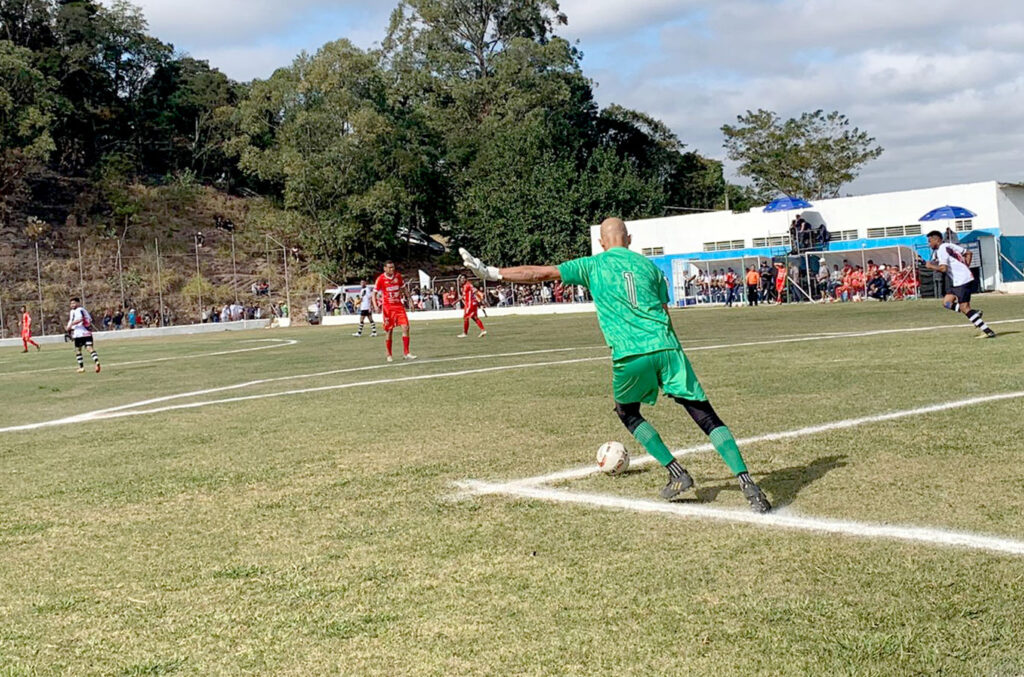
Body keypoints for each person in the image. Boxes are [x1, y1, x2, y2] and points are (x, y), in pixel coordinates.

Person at [459, 218, 771, 512]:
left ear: (601, 242)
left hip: (630, 354)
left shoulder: (592, 264)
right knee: (705, 415)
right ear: (629, 240)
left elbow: (539, 274)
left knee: (628, 412)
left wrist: (493, 273)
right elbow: (665, 310)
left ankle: (677, 473)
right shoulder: (649, 266)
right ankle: (749, 485)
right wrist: (672, 352)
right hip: (668, 347)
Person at [925, 231, 995, 338]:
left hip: (962, 280)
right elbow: (969, 253)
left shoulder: (942, 250)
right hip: (958, 280)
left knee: (965, 307)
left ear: (937, 240)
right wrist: (965, 266)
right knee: (947, 303)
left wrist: (931, 267)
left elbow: (944, 269)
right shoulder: (949, 245)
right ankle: (974, 313)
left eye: (930, 241)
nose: (928, 244)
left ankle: (988, 331)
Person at [374, 261, 417, 362]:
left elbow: (404, 289)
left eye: (393, 267)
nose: (391, 269)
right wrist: (376, 305)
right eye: (389, 268)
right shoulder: (381, 279)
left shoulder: (398, 276)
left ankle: (406, 353)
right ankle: (389, 354)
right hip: (388, 308)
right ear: (385, 268)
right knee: (389, 331)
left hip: (399, 307)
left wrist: (410, 301)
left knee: (406, 327)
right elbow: (374, 293)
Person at [66, 297, 100, 373]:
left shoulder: (79, 310)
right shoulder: (75, 311)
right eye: (71, 303)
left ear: (78, 303)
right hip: (85, 333)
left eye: (74, 303)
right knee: (89, 348)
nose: (72, 305)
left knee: (78, 350)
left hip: (80, 333)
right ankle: (97, 362)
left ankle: (81, 367)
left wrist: (71, 325)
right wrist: (69, 327)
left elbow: (80, 319)